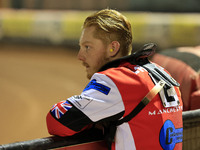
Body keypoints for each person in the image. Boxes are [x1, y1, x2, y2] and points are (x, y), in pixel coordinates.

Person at [46, 9, 183, 150]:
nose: (80, 56)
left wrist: (93, 121)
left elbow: (56, 122)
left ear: (113, 48)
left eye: (87, 47)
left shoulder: (115, 81)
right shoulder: (162, 73)